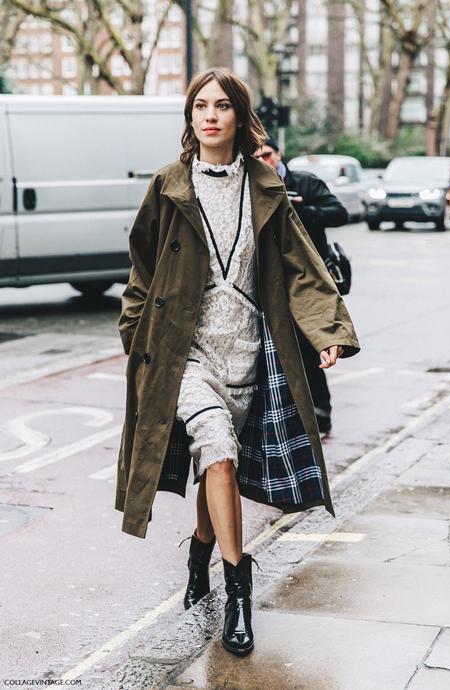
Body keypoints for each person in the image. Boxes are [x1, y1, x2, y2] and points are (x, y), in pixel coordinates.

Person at [116, 67, 360, 658]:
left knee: (216, 467)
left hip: (248, 350)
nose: (210, 116)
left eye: (222, 106)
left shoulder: (266, 186)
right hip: (186, 353)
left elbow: (305, 267)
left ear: (239, 116)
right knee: (219, 453)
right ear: (190, 117)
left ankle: (200, 549)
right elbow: (141, 273)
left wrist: (327, 331)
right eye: (201, 105)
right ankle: (239, 591)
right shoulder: (169, 185)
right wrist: (135, 334)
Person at [255, 138, 349, 435]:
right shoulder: (252, 186)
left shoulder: (304, 183)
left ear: (279, 154)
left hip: (308, 278)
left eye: (267, 155)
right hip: (270, 280)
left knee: (311, 349)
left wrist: (301, 209)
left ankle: (321, 415)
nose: (263, 161)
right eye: (256, 156)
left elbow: (339, 213)